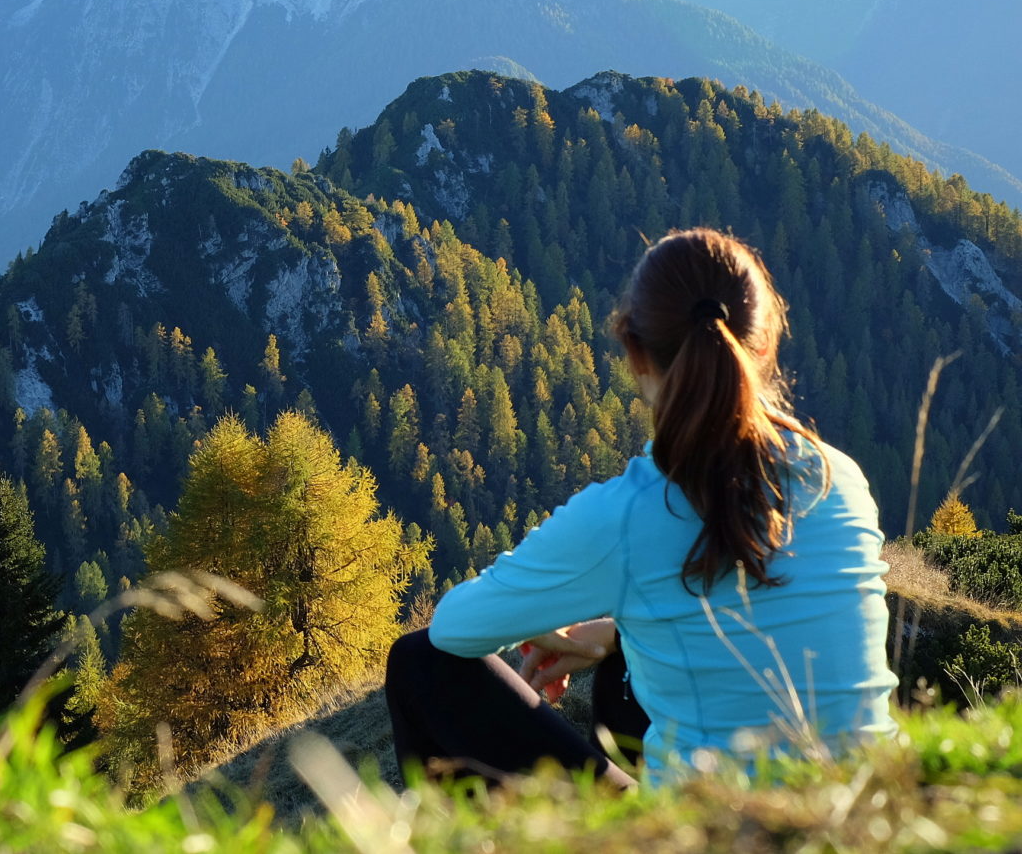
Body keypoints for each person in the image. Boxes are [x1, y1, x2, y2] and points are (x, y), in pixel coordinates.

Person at [382, 227, 899, 786]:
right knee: (622, 670)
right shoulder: (838, 477)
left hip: (716, 837)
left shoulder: (628, 514)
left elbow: (454, 628)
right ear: (767, 339)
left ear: (634, 354)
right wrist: (615, 634)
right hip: (873, 817)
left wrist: (559, 619)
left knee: (420, 665)